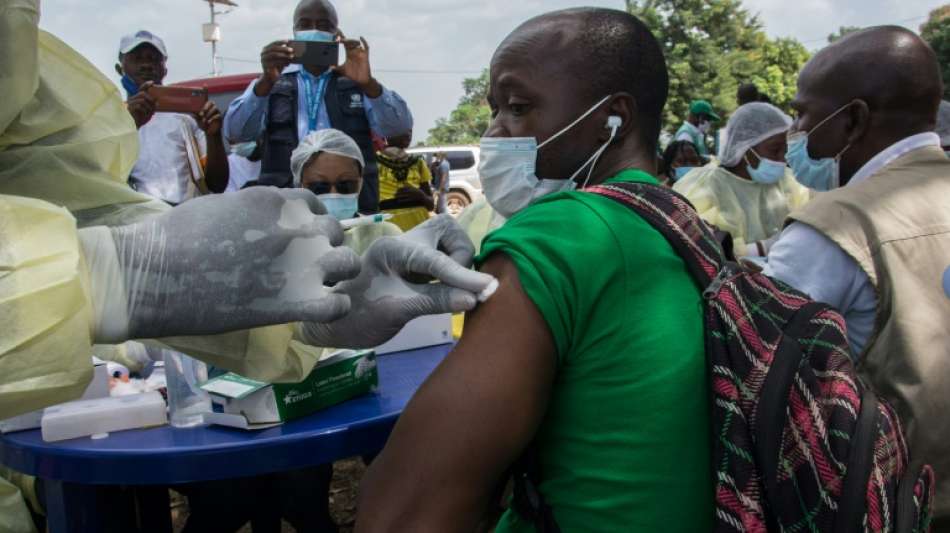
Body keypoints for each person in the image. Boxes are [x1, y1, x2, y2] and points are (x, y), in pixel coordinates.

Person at [0, 5, 495, 530]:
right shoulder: (273, 88)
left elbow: (55, 187)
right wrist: (112, 275)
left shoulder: (355, 90)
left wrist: (289, 321)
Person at [357, 8, 711, 532]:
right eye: (495, 109)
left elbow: (402, 517)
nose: (494, 132)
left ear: (611, 119)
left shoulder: (560, 237)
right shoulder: (683, 225)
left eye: (518, 108)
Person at [762, 26, 950, 528]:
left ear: (852, 121)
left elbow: (756, 372)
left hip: (896, 506)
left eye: (802, 113)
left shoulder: (834, 229)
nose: (793, 133)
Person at [223, 0, 413, 214]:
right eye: (305, 24)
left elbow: (398, 128)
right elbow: (236, 132)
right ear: (294, 31)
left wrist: (369, 84)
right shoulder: (273, 83)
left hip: (350, 206)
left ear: (336, 34)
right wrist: (265, 82)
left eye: (324, 25)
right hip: (287, 210)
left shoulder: (355, 82)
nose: (314, 30)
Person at [674, 102, 810, 257]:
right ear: (744, 147)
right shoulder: (706, 187)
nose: (782, 158)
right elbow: (697, 246)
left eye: (785, 149)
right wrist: (760, 249)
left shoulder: (788, 181)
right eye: (775, 150)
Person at [117, 31, 229, 204]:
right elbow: (103, 180)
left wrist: (214, 136)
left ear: (165, 70)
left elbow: (217, 185)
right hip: (134, 220)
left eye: (154, 59)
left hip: (183, 219)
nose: (147, 65)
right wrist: (129, 125)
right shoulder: (109, 118)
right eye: (137, 58)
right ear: (120, 68)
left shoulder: (187, 119)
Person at [292, 128, 402, 250]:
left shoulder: (385, 234)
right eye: (319, 187)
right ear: (300, 186)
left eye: (345, 185)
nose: (333, 194)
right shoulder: (287, 242)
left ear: (360, 183)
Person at [376, 129, 435, 231]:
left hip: (419, 226)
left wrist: (422, 196)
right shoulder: (374, 163)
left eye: (410, 130)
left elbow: (431, 206)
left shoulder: (419, 162)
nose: (408, 134)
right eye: (402, 128)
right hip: (389, 228)